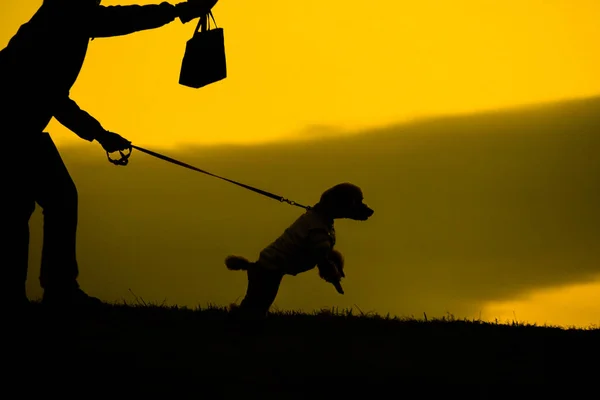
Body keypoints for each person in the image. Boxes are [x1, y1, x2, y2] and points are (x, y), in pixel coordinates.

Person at [0, 0, 219, 311]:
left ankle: (34, 293)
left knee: (27, 207)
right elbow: (54, 97)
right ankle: (53, 291)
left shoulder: (62, 17)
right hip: (12, 129)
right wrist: (100, 134)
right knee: (45, 202)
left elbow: (123, 19)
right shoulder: (65, 18)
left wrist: (180, 11)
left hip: (21, 129)